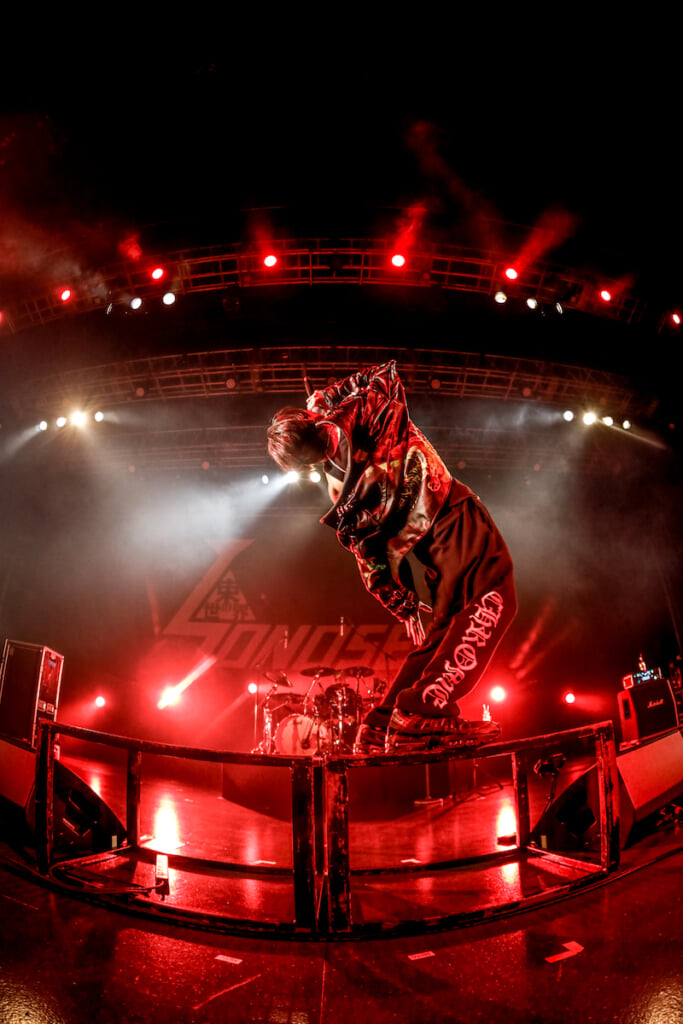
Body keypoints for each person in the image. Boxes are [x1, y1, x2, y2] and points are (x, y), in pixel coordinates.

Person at [266, 360, 517, 751]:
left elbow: (368, 557)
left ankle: (380, 725)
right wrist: (330, 397)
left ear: (302, 463)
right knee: (495, 599)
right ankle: (422, 712)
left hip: (429, 550)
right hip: (451, 513)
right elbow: (385, 374)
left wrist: (402, 603)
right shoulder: (365, 413)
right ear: (310, 417)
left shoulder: (338, 493)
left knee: (448, 630)